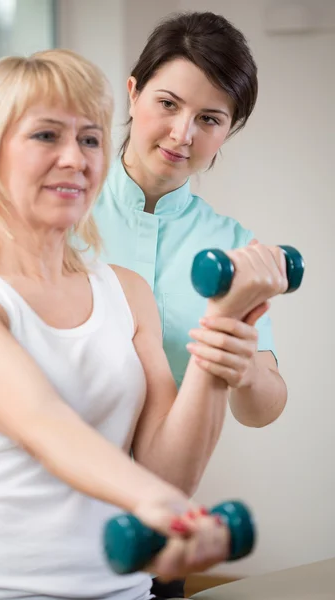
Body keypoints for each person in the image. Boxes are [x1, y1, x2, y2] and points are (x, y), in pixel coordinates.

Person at [0, 49, 287, 600]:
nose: (75, 158)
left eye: (90, 139)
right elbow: (43, 423)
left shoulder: (126, 291)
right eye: (46, 136)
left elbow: (167, 474)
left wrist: (222, 322)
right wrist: (168, 511)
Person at [92, 11, 289, 597]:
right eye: (169, 104)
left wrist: (245, 363)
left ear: (229, 129)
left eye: (210, 119)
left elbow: (263, 407)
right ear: (133, 93)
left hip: (164, 522)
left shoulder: (231, 245)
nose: (183, 134)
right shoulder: (63, 206)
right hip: (45, 507)